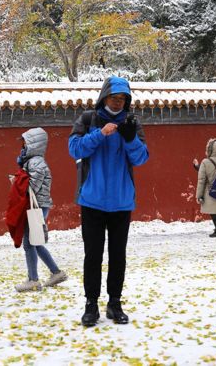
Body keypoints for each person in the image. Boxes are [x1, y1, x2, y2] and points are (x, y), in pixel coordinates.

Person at [68, 75, 149, 327]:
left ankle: (115, 303)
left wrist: (130, 139)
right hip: (92, 200)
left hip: (121, 202)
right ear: (104, 97)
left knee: (118, 255)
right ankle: (91, 305)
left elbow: (141, 158)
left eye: (123, 99)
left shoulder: (132, 123)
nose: (118, 103)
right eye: (114, 98)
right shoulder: (87, 119)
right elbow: (74, 149)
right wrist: (100, 134)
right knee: (92, 255)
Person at [14, 127, 67, 292]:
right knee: (34, 242)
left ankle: (33, 280)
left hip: (36, 205)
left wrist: (17, 183)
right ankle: (56, 273)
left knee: (30, 242)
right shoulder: (32, 161)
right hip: (37, 204)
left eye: (24, 141)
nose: (21, 145)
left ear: (32, 143)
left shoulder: (35, 162)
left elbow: (32, 186)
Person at [193, 158, 216, 237]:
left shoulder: (215, 162)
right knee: (215, 212)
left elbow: (206, 172)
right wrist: (197, 166)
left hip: (214, 190)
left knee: (215, 212)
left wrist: (197, 166)